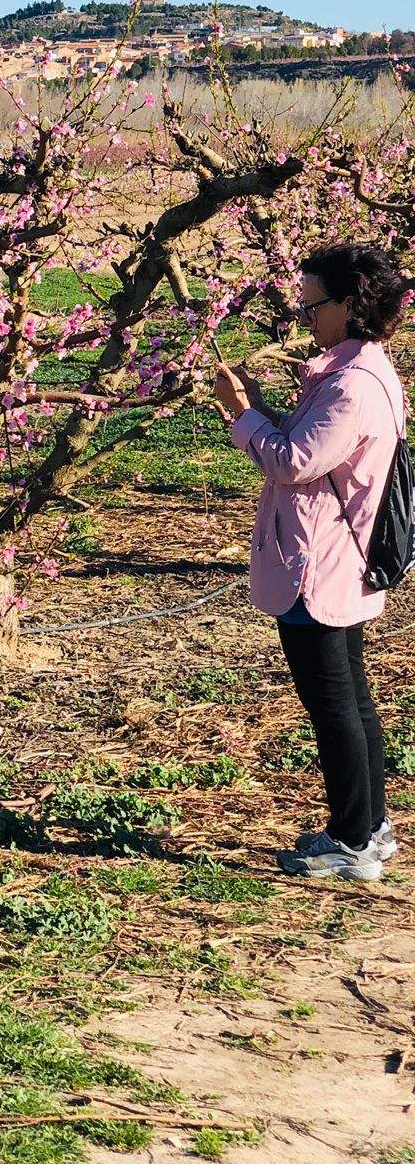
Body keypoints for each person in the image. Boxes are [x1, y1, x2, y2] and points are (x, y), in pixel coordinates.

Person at [215, 242, 407, 883]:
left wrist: (242, 418)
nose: (304, 315)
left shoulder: (350, 388)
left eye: (313, 304)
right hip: (333, 562)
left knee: (334, 708)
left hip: (315, 570)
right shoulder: (362, 371)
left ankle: (352, 841)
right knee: (350, 700)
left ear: (349, 306)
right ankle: (369, 827)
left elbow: (294, 461)